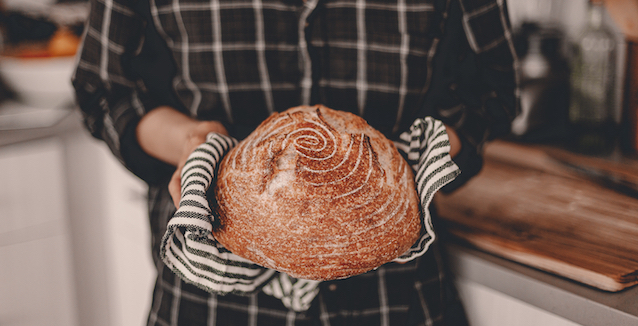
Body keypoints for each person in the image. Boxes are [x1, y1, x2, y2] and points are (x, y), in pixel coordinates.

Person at [72, 0, 518, 325]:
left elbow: (491, 92)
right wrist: (191, 143)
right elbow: (105, 89)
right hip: (210, 307)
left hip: (396, 302)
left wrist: (408, 170)